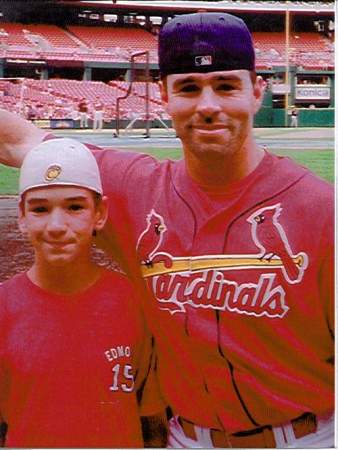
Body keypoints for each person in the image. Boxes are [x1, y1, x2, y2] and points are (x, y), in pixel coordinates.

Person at [0, 12, 334, 449]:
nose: (208, 105)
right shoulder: (131, 188)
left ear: (256, 91)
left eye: (226, 85)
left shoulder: (322, 209)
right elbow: (16, 141)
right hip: (185, 440)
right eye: (189, 88)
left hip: (308, 437)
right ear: (165, 97)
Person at [0, 138, 166, 448]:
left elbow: (152, 418)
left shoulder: (133, 300)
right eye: (40, 209)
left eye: (75, 207)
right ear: (21, 216)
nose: (56, 225)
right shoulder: (4, 309)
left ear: (100, 213)